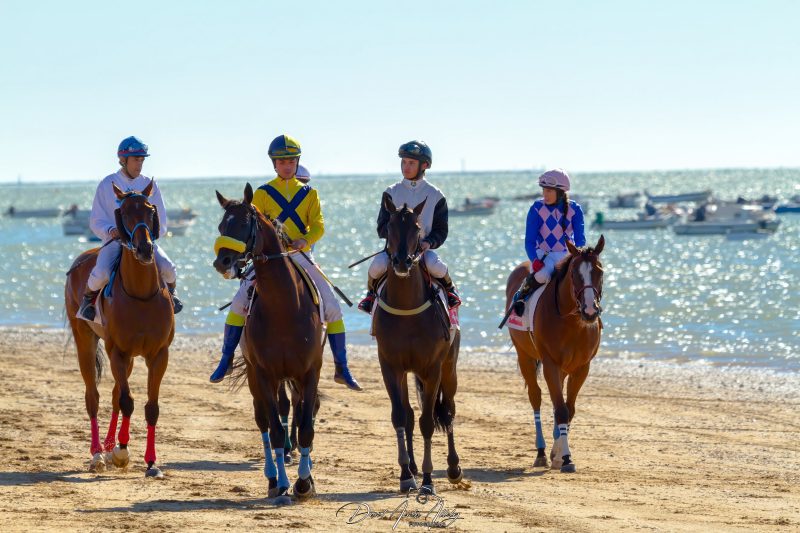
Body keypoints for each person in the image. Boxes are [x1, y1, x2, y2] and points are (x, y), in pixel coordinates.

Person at [210, 134, 361, 391]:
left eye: (291, 160)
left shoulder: (310, 193)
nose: (287, 165)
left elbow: (319, 225)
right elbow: (253, 224)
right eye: (281, 161)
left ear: (297, 162)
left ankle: (342, 367)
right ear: (274, 164)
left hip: (301, 256)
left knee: (333, 306)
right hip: (268, 259)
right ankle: (225, 361)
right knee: (238, 304)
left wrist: (306, 239)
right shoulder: (263, 192)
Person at [77, 136, 182, 321]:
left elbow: (162, 220)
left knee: (169, 268)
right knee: (101, 273)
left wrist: (149, 235)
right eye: (136, 160)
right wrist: (110, 230)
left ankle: (172, 296)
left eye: (142, 160)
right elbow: (96, 220)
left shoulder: (150, 184)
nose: (139, 164)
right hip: (115, 241)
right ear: (123, 160)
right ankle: (88, 301)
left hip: (143, 241)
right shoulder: (106, 184)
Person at [357, 140, 461, 314]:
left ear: (425, 165)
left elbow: (441, 230)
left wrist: (429, 242)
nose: (406, 166)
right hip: (394, 250)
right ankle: (370, 296)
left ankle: (451, 293)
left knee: (437, 266)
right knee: (376, 266)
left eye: (411, 163)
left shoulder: (436, 195)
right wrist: (395, 237)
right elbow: (381, 227)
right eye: (404, 162)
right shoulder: (391, 192)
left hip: (422, 250)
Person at [511, 168, 585, 316]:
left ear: (561, 191)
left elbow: (580, 240)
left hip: (566, 255)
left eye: (549, 191)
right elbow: (530, 241)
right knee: (542, 276)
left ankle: (592, 310)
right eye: (544, 190)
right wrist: (534, 260)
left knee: (585, 278)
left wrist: (579, 258)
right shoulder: (537, 208)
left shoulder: (575, 209)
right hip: (544, 254)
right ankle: (520, 299)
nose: (545, 194)